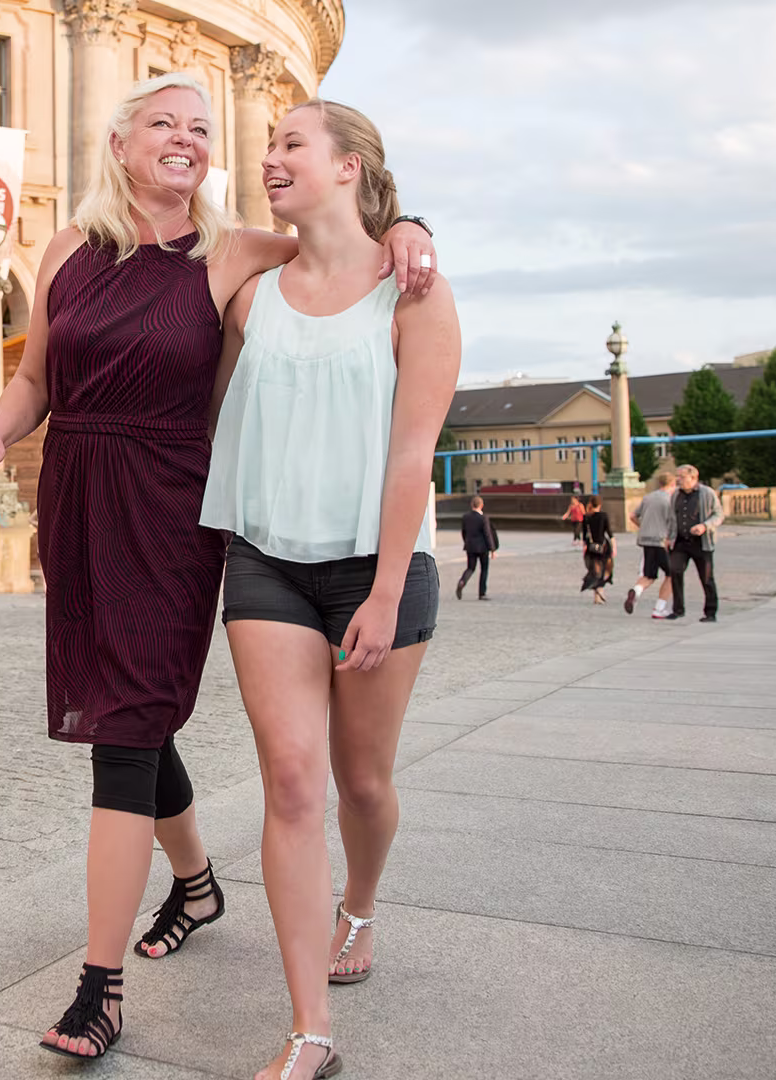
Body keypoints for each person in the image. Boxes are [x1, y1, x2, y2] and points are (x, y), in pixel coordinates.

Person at [0, 74, 437, 1063]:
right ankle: (199, 885)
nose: (187, 139)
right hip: (79, 498)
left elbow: (340, 241)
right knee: (121, 704)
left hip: (175, 508)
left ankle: (101, 986)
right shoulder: (63, 253)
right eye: (165, 124)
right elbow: (38, 376)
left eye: (201, 128)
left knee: (128, 727)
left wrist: (413, 225)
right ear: (121, 141)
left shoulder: (232, 253)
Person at [200, 98, 458, 1080]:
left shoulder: (417, 295)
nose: (269, 158)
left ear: (350, 166)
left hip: (378, 566)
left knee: (362, 781)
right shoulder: (246, 285)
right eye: (266, 146)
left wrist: (387, 592)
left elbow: (410, 459)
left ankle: (362, 904)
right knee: (295, 783)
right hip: (265, 557)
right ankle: (310, 1027)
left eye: (292, 145)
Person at [667, 463, 724, 622]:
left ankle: (710, 612)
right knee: (675, 571)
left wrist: (705, 526)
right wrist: (669, 536)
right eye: (677, 477)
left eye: (682, 477)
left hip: (701, 543)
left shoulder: (706, 493)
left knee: (706, 577)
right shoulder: (675, 495)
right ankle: (678, 609)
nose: (679, 480)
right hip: (680, 542)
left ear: (693, 477)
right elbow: (671, 518)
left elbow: (718, 515)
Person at [625, 474, 676, 618]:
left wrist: (643, 527)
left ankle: (636, 590)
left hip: (646, 540)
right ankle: (659, 608)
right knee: (672, 574)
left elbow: (633, 516)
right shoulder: (670, 500)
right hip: (661, 540)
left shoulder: (648, 497)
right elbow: (673, 522)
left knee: (649, 574)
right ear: (672, 484)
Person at [455, 495, 498, 600]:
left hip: (470, 547)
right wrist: (492, 549)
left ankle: (462, 582)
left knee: (470, 568)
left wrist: (467, 542)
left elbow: (464, 532)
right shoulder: (483, 518)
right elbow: (487, 534)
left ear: (471, 505)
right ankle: (482, 593)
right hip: (483, 548)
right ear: (481, 505)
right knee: (484, 570)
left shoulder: (466, 517)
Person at [579, 493, 614, 603]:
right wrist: (614, 547)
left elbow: (584, 536)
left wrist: (585, 548)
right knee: (605, 569)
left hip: (591, 547)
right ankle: (600, 590)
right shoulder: (603, 516)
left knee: (595, 570)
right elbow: (609, 533)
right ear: (600, 504)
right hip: (603, 546)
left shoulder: (586, 517)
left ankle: (596, 596)